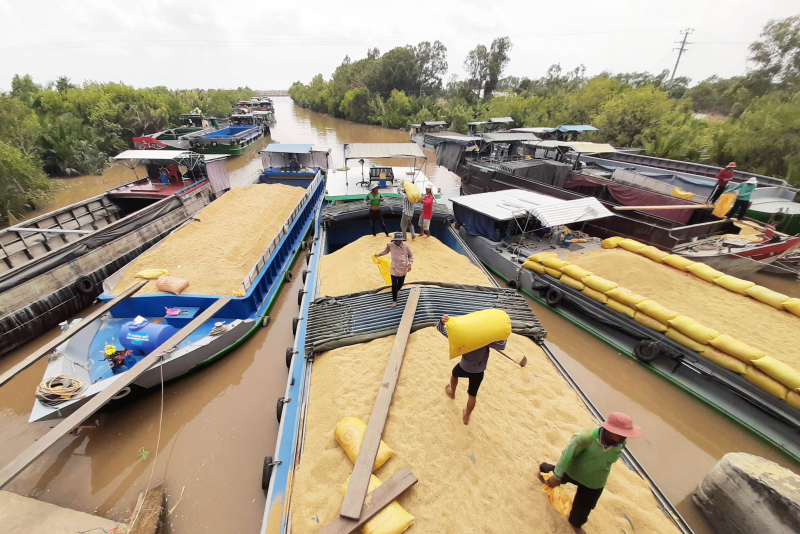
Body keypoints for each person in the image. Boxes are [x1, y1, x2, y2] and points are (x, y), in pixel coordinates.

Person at [538, 412, 642, 533]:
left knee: (585, 507)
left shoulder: (621, 443)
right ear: (610, 429)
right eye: (622, 433)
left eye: (627, 434)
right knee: (552, 475)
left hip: (595, 480)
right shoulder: (583, 438)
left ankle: (575, 523)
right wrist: (556, 477)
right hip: (574, 470)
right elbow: (566, 457)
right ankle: (544, 469)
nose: (625, 437)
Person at [438, 314, 506, 425]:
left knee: (454, 374)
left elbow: (441, 329)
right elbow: (502, 345)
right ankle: (467, 416)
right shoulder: (486, 339)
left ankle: (452, 393)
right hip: (479, 371)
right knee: (472, 394)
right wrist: (503, 335)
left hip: (464, 367)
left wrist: (441, 322)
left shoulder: (462, 337)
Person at [375, 233, 414, 307]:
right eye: (397, 240)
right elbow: (385, 251)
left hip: (403, 268)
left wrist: (409, 264)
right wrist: (378, 254)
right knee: (394, 284)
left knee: (401, 283)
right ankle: (394, 300)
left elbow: (411, 255)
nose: (398, 242)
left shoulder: (406, 247)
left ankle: (398, 289)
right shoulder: (390, 245)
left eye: (400, 241)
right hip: (394, 268)